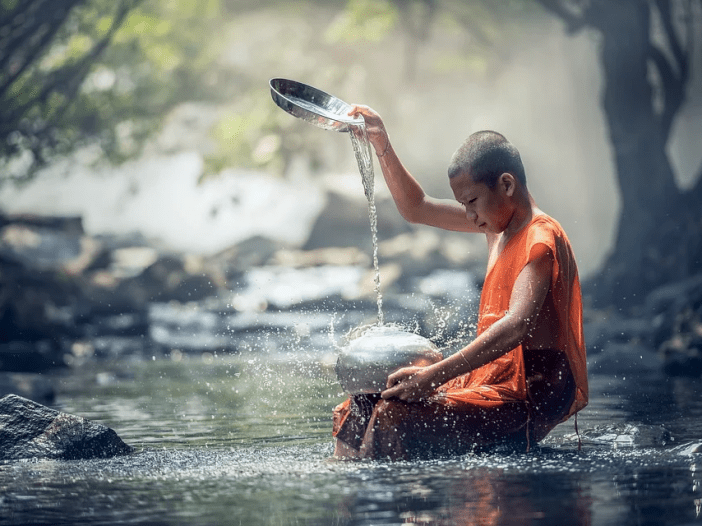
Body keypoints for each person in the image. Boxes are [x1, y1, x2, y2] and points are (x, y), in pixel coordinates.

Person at [332, 105, 588, 460]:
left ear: (507, 185)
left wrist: (434, 376)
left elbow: (517, 325)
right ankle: (345, 496)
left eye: (471, 202)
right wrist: (381, 143)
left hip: (528, 393)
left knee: (391, 415)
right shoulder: (496, 223)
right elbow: (417, 208)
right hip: (490, 380)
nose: (469, 216)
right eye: (462, 205)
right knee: (359, 405)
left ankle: (402, 509)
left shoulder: (540, 237)